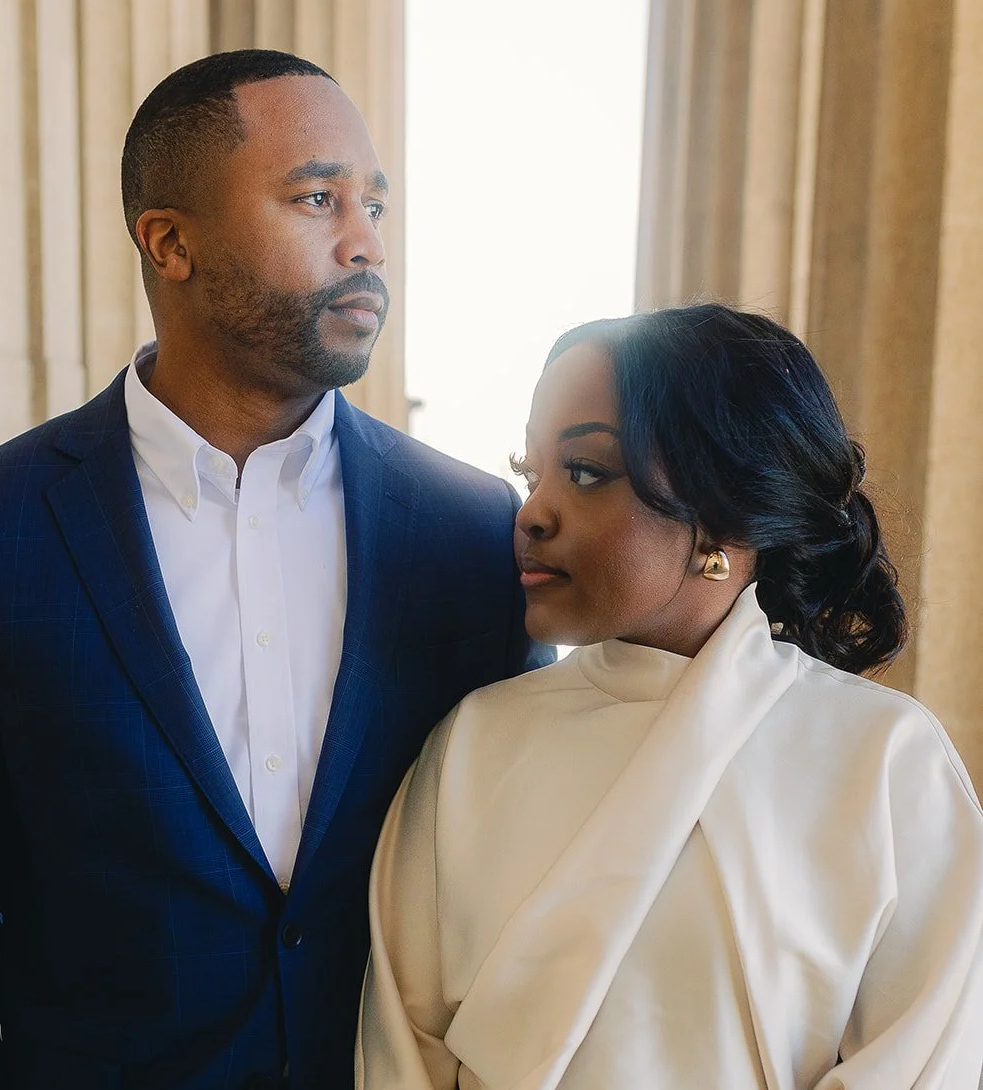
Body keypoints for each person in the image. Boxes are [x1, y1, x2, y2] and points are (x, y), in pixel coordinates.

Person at [0, 49, 551, 1090]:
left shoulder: (464, 528)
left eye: (373, 203)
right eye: (316, 197)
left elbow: (520, 861)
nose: (364, 243)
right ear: (169, 242)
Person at [357, 304, 983, 1090]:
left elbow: (927, 1061)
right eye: (531, 472)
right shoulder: (471, 743)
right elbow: (400, 1052)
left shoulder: (886, 760)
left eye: (584, 471)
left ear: (721, 518)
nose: (532, 511)